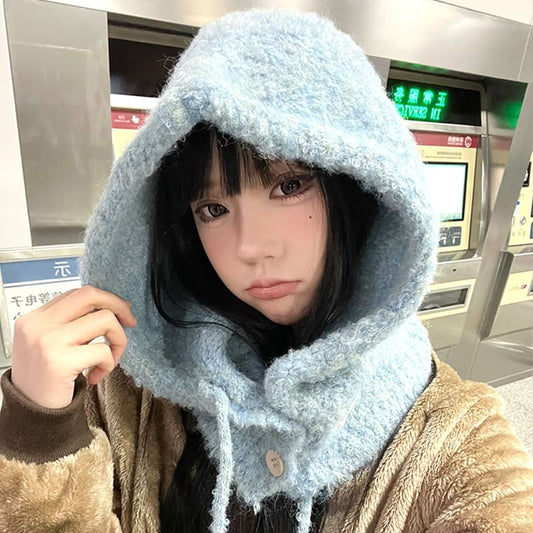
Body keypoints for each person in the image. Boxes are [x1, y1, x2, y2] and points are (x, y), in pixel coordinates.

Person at [1, 8, 532, 533]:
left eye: (288, 185)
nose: (251, 248)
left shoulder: (458, 440)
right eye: (213, 209)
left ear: (358, 187)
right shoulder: (127, 385)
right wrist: (39, 431)